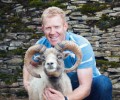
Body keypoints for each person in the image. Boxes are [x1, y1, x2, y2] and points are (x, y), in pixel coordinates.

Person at [23, 6, 112, 100]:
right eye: (48, 28)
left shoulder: (81, 45)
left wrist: (64, 99)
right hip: (57, 85)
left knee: (103, 83)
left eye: (57, 27)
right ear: (43, 29)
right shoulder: (41, 45)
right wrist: (27, 83)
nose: (52, 32)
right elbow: (29, 63)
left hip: (84, 88)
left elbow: (85, 87)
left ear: (65, 26)